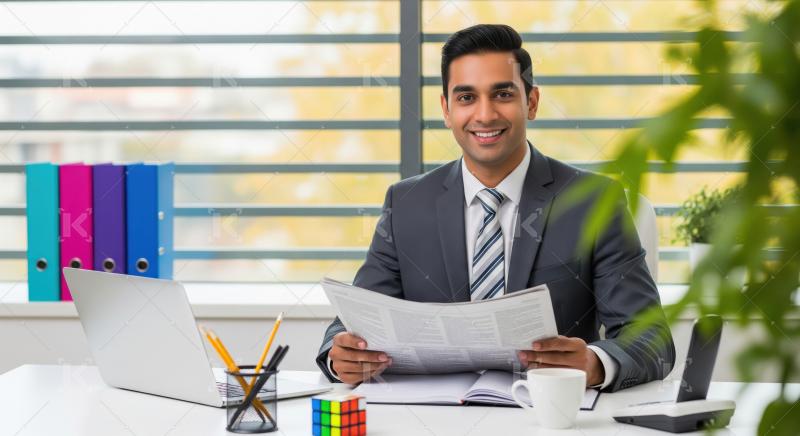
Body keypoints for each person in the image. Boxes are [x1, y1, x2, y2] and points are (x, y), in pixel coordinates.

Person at [316, 24, 675, 391]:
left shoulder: (594, 201)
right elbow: (355, 319)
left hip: (547, 417)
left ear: (531, 102)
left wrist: (596, 364)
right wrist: (338, 354)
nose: (485, 115)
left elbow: (653, 340)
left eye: (502, 94)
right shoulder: (406, 204)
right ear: (446, 109)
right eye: (466, 97)